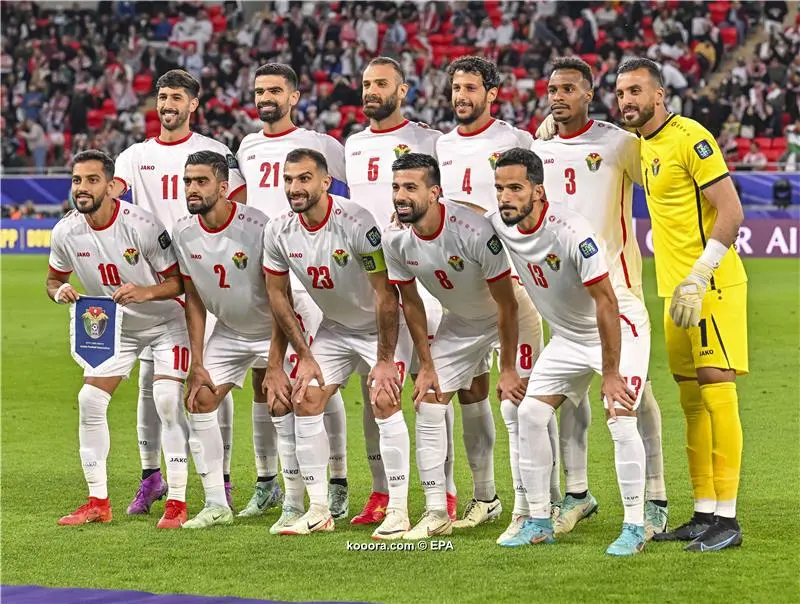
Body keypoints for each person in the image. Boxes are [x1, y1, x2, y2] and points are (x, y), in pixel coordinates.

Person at [531, 57, 669, 539]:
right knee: (570, 396)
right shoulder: (538, 149)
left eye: (569, 89)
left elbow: (660, 174)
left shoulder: (618, 143)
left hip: (618, 291)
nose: (558, 96)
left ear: (590, 94)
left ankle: (654, 496)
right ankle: (578, 493)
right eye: (552, 89)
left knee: (634, 394)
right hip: (564, 299)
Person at [490, 148, 651, 556]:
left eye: (514, 188)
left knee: (620, 415)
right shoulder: (499, 224)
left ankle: (635, 527)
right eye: (499, 188)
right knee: (529, 413)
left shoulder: (572, 231)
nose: (505, 197)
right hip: (569, 338)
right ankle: (540, 520)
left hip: (619, 329)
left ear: (538, 191)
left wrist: (611, 372)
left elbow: (607, 302)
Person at [616, 58, 746, 552]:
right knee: (691, 402)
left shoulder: (691, 136)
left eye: (636, 91)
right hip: (675, 293)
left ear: (659, 95)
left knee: (717, 393)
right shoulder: (642, 144)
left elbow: (732, 210)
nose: (627, 100)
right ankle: (704, 512)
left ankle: (729, 522)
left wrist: (701, 273)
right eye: (621, 92)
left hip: (709, 285)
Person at [382, 153, 542, 542]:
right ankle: (440, 511)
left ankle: (532, 508)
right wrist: (427, 364)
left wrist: (507, 370)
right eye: (396, 188)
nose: (400, 196)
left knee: (517, 406)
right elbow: (412, 302)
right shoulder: (395, 240)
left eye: (410, 187)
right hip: (460, 321)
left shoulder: (471, 230)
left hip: (512, 317)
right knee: (429, 399)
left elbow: (506, 303)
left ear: (435, 193)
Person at [111, 69, 248, 515]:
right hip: (152, 284)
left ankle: (220, 479)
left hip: (201, 280)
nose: (167, 104)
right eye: (161, 97)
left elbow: (237, 210)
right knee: (152, 385)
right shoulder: (133, 157)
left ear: (194, 103)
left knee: (208, 379)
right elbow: (116, 208)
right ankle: (151, 477)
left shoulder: (214, 152)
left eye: (176, 97)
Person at [262, 148, 413, 539]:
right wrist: (305, 356)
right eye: (289, 179)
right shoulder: (278, 230)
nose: (295, 187)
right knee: (305, 397)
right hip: (335, 328)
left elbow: (386, 294)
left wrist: (384, 359)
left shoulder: (356, 221)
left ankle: (398, 511)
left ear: (325, 182)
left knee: (383, 397)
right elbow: (278, 297)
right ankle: (318, 510)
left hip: (381, 328)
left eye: (304, 178)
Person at [435, 56, 551, 529]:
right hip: (465, 292)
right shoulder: (441, 145)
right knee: (469, 391)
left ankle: (540, 504)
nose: (461, 95)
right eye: (456, 87)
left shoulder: (515, 141)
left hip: (514, 284)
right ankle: (486, 499)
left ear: (491, 94)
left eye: (470, 87)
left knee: (520, 401)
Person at [47, 150, 189, 529]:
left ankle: (177, 500)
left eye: (92, 180)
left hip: (164, 322)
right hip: (116, 326)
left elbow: (180, 283)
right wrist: (59, 291)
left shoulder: (142, 225)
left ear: (112, 186)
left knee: (167, 400)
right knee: (89, 399)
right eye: (77, 180)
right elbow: (53, 279)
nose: (82, 187)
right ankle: (98, 501)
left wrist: (145, 291)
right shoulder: (65, 230)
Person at [234, 62, 349, 520]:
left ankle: (336, 482)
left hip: (313, 270)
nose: (266, 98)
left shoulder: (322, 146)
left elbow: (346, 196)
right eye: (260, 90)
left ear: (294, 96)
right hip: (264, 274)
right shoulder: (247, 145)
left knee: (316, 378)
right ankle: (274, 484)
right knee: (266, 380)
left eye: (275, 90)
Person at [345, 56, 455, 525]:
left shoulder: (429, 140)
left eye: (382, 83)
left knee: (429, 383)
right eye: (367, 83)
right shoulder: (349, 144)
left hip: (422, 274)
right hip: (372, 279)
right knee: (378, 381)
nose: (372, 91)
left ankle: (444, 491)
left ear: (403, 89)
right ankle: (381, 491)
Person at [170, 151, 274, 529]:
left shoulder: (258, 225)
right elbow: (194, 297)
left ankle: (300, 501)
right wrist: (197, 362)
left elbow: (283, 296)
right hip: (230, 330)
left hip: (276, 326)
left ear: (224, 187)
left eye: (201, 181)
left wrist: (276, 361)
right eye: (188, 181)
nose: (192, 189)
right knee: (198, 398)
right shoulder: (183, 231)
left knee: (289, 402)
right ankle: (216, 503)